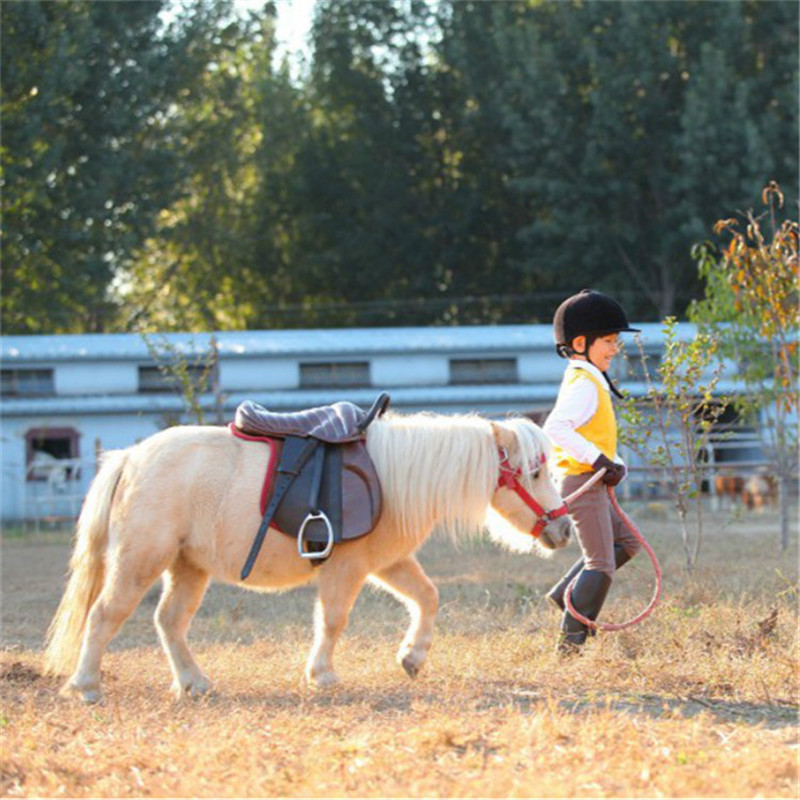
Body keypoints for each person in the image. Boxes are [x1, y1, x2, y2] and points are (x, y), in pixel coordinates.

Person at [542, 289, 642, 654]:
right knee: (601, 563)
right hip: (583, 482)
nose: (615, 349)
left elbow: (595, 436)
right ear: (581, 342)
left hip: (593, 480)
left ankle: (566, 595)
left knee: (628, 542)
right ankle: (571, 641)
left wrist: (614, 464)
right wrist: (599, 461)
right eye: (609, 341)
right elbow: (556, 428)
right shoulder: (584, 383)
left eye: (616, 341)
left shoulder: (591, 379)